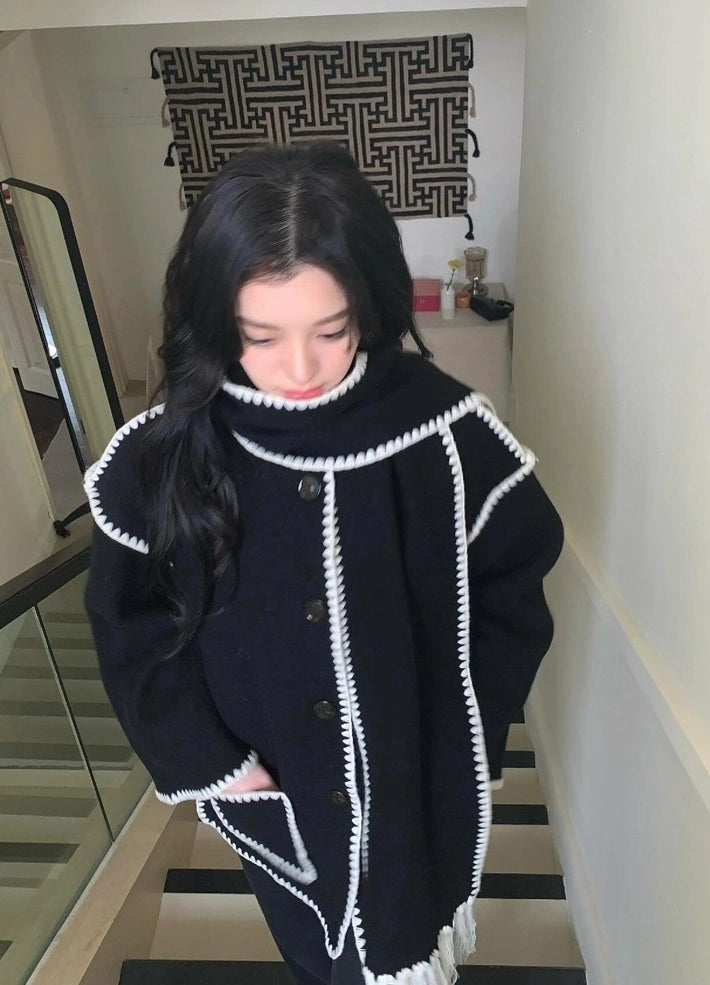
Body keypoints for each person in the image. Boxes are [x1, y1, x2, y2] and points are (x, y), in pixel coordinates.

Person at [84, 141, 564, 985]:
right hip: (269, 789)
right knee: (314, 952)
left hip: (414, 777)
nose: (299, 368)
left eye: (330, 330)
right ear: (215, 317)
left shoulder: (445, 433)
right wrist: (217, 767)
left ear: (368, 306)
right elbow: (130, 628)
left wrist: (465, 723)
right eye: (260, 335)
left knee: (402, 940)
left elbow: (513, 584)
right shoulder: (161, 455)